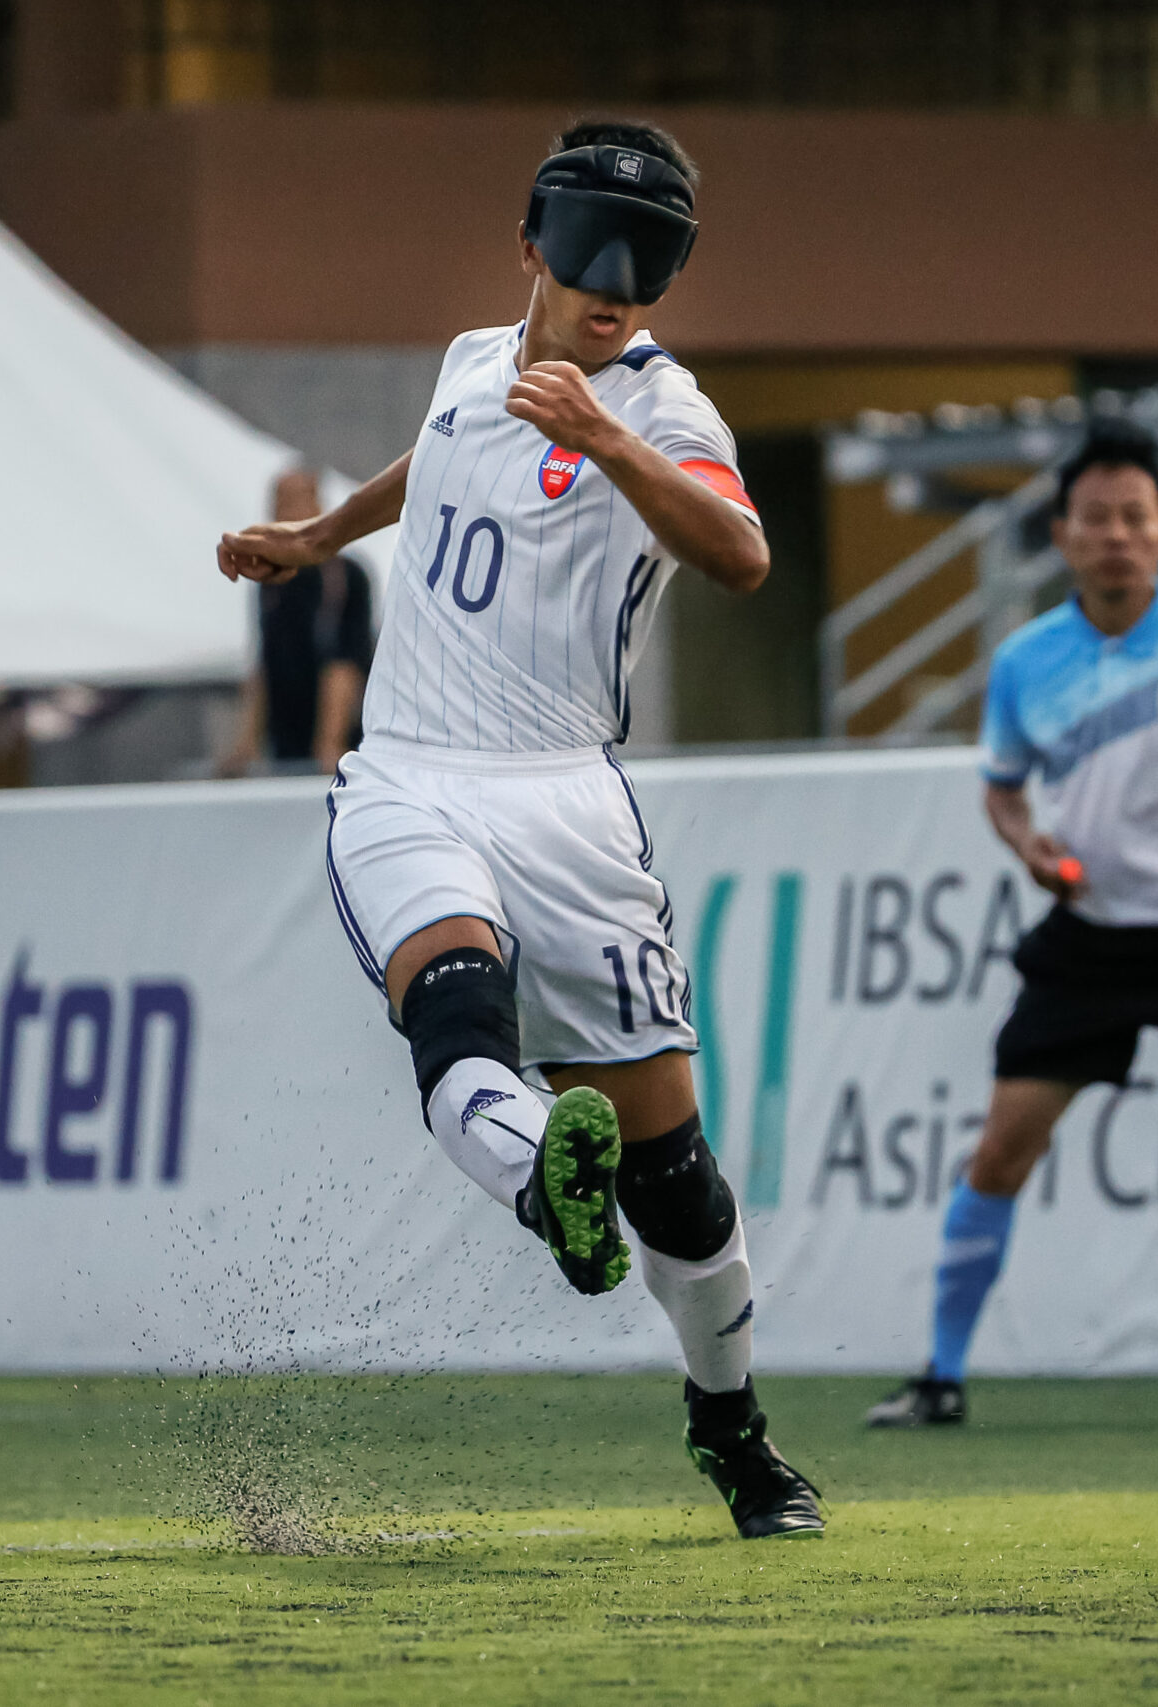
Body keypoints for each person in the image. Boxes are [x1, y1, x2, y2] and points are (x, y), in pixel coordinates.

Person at [214, 120, 822, 1540]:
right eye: (595, 252)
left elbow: (742, 557)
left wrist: (607, 436)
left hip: (568, 802)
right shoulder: (470, 363)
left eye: (651, 265)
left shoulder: (669, 416)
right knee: (458, 1006)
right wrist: (321, 539)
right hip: (415, 772)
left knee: (677, 1177)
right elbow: (433, 467)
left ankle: (730, 1422)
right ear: (531, 243)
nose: (617, 289)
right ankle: (549, 1189)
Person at [863, 422, 1158, 1429]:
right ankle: (941, 1375)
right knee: (999, 1153)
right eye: (1096, 518)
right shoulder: (1024, 661)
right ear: (1062, 534)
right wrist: (1027, 844)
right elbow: (1001, 791)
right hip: (1085, 944)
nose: (1115, 534)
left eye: (1135, 516)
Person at [216, 466, 376, 777]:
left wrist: (329, 742)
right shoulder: (269, 581)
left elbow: (344, 664)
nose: (284, 512)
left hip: (342, 749)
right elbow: (264, 661)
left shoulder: (344, 576)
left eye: (294, 501)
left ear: (318, 506)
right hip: (286, 747)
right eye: (278, 503)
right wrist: (246, 744)